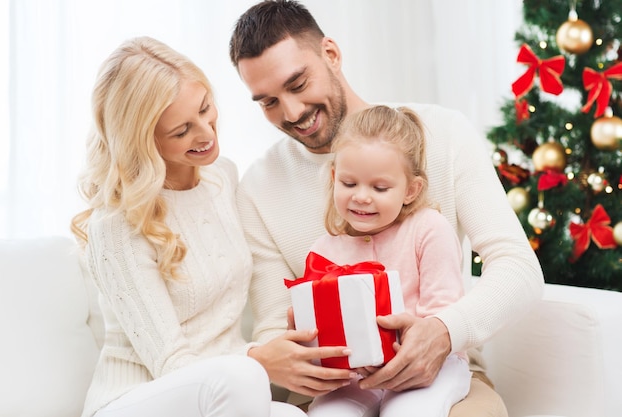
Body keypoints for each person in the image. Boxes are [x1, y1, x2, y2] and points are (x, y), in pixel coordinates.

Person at [228, 1, 544, 416]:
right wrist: (289, 355)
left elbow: (518, 268)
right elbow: (273, 322)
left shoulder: (443, 134)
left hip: (443, 372)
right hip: (330, 388)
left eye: (298, 83)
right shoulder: (258, 187)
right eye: (267, 102)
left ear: (332, 54)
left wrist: (445, 331)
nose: (292, 112)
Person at [70, 36, 307, 417]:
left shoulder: (222, 177)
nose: (207, 133)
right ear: (143, 140)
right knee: (244, 379)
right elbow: (171, 364)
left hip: (225, 388)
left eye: (205, 108)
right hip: (139, 398)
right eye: (182, 131)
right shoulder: (116, 226)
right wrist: (259, 360)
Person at [306, 105, 471, 416]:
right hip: (355, 377)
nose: (361, 197)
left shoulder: (428, 229)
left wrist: (401, 346)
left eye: (380, 188)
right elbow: (323, 337)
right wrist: (309, 338)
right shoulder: (324, 249)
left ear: (411, 190)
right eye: (349, 183)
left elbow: (443, 312)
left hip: (430, 364)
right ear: (333, 177)